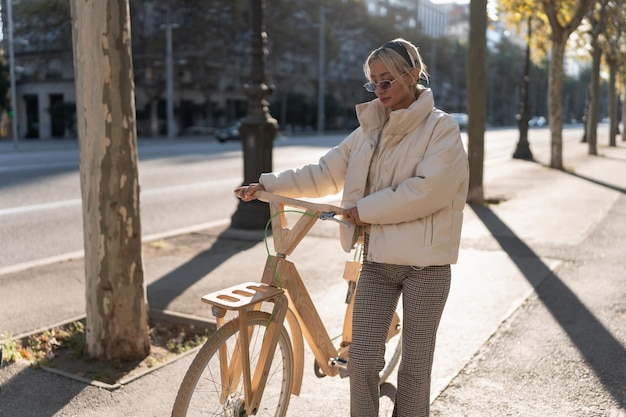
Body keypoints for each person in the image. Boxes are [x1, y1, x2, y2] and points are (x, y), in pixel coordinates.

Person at [235, 38, 469, 417]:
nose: (380, 89)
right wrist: (268, 185)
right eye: (373, 82)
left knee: (414, 372)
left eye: (387, 80)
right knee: (360, 364)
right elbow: (325, 172)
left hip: (426, 268)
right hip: (377, 261)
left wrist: (364, 210)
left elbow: (427, 191)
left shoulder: (442, 129)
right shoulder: (369, 130)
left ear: (413, 75)